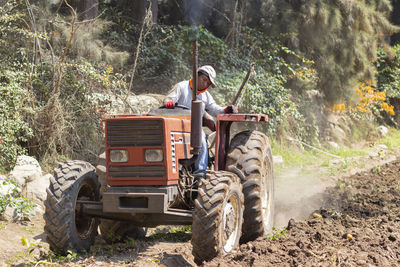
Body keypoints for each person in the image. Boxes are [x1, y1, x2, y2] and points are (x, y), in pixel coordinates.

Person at [163, 65, 238, 175]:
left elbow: (214, 109)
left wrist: (226, 109)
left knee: (202, 139)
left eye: (208, 82)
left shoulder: (206, 95)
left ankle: (200, 173)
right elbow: (169, 99)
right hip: (178, 125)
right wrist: (169, 103)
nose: (205, 84)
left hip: (195, 127)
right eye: (204, 79)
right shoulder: (182, 87)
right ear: (196, 75)